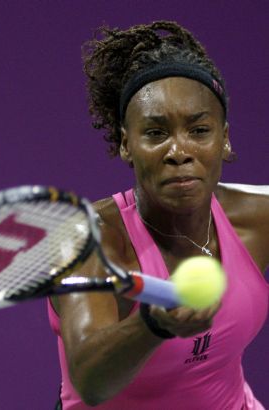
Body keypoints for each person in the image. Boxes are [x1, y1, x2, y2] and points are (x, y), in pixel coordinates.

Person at [48, 21, 268, 409]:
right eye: (155, 133)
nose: (178, 151)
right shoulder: (86, 241)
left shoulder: (257, 217)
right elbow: (90, 381)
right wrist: (151, 324)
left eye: (199, 130)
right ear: (126, 144)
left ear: (225, 138)